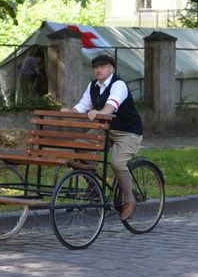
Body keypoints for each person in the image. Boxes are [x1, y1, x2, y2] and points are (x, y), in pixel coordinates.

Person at [60, 54, 142, 221]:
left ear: (111, 68)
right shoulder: (93, 86)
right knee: (79, 145)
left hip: (127, 132)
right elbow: (82, 106)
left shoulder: (119, 85)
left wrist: (101, 112)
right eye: (96, 67)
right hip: (104, 130)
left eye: (103, 66)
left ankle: (130, 200)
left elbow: (111, 106)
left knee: (117, 164)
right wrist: (71, 111)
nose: (98, 70)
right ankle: (94, 185)